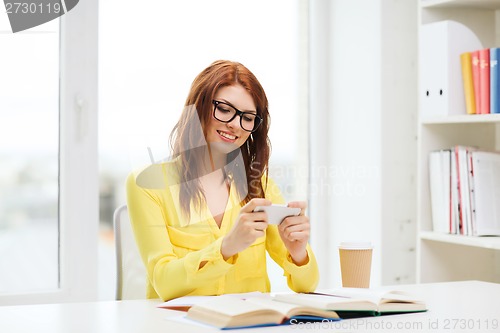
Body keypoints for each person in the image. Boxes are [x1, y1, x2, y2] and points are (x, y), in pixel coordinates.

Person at [126, 60, 319, 301]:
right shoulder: (147, 185)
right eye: (225, 109)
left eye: (247, 117)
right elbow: (164, 282)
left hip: (249, 325)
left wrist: (298, 253)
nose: (235, 124)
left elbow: (307, 285)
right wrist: (227, 247)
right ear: (199, 107)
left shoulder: (261, 186)